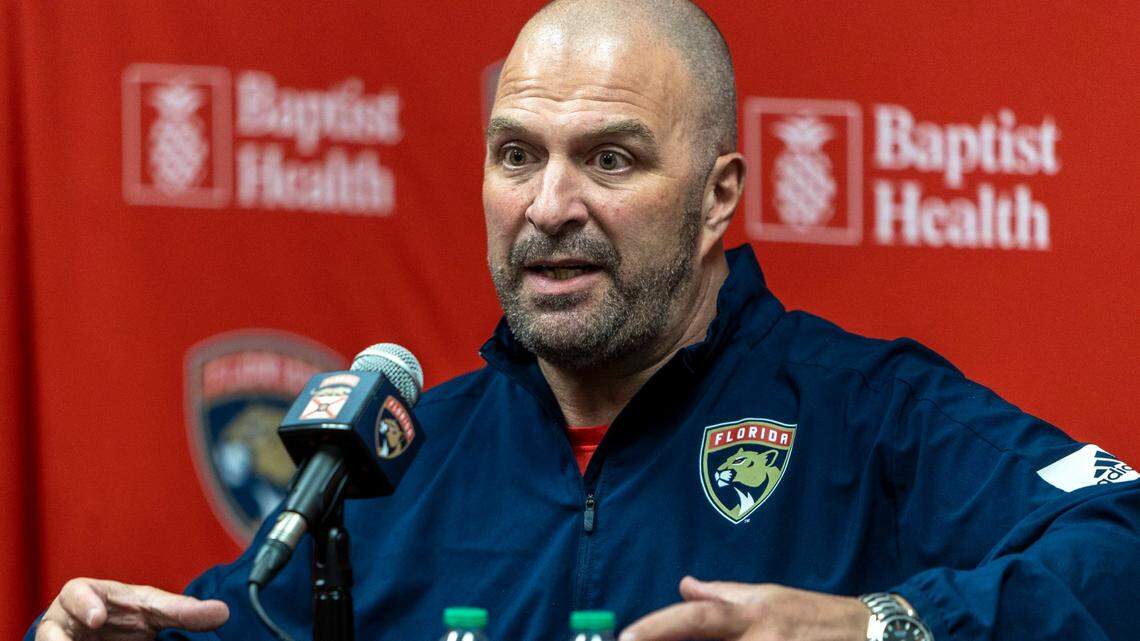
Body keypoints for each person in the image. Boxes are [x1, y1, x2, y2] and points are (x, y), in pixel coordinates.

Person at [30, 1, 1140, 640]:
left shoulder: (870, 413)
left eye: (610, 158)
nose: (549, 206)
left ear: (718, 196)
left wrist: (876, 625)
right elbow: (221, 624)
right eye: (517, 154)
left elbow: (1125, 546)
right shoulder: (398, 465)